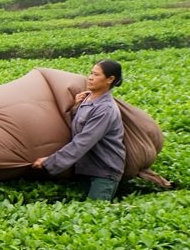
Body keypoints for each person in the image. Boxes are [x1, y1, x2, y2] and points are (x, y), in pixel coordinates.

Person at [32, 59, 126, 201]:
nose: (90, 77)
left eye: (96, 75)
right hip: (85, 168)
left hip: (103, 172)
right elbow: (77, 126)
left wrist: (51, 162)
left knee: (95, 214)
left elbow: (83, 141)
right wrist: (76, 106)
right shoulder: (87, 99)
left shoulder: (105, 109)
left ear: (110, 79)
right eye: (90, 73)